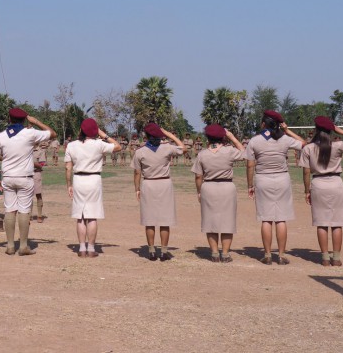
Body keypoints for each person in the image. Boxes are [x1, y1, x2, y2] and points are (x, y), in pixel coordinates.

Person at [0, 108, 56, 256]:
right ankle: (23, 246)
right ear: (25, 119)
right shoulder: (30, 133)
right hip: (24, 177)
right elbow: (52, 133)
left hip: (8, 177)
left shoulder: (1, 136)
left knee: (9, 210)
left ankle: (10, 245)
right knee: (24, 211)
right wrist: (36, 121)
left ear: (9, 119)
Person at [245, 110, 306, 265]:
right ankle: (281, 255)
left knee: (266, 219)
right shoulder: (285, 139)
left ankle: (267, 255)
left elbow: (250, 165)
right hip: (282, 179)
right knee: (281, 219)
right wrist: (287, 130)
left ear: (263, 124)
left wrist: (250, 185)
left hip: (263, 179)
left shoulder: (254, 141)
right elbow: (304, 144)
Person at [299, 117, 343, 267]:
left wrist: (307, 190)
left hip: (318, 183)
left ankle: (325, 258)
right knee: (337, 223)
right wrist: (340, 131)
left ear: (316, 130)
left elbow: (306, 172)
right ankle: (336, 258)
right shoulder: (338, 145)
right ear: (331, 130)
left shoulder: (308, 148)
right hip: (336, 183)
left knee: (322, 223)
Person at [65, 118, 121, 258]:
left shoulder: (72, 145)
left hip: (78, 179)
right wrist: (103, 134)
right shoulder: (99, 144)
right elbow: (118, 146)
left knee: (80, 216)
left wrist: (69, 184)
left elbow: (68, 167)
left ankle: (81, 248)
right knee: (92, 216)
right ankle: (91, 248)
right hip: (94, 179)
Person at [191, 124, 246, 262]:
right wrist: (232, 136)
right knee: (227, 221)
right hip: (227, 187)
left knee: (210, 221)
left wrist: (199, 191)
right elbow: (244, 152)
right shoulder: (229, 151)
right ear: (223, 137)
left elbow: (198, 176)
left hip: (208, 187)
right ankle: (225, 254)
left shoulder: (202, 154)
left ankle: (214, 253)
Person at [131, 123, 186, 261]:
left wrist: (137, 188)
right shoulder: (167, 148)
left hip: (148, 184)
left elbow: (137, 172)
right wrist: (168, 134)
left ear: (146, 135)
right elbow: (183, 148)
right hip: (164, 184)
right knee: (165, 220)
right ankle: (164, 251)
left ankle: (151, 251)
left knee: (149, 220)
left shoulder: (140, 151)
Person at [32, 141, 49, 222]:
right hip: (26, 174)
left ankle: (39, 215)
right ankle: (28, 215)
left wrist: (31, 163)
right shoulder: (26, 149)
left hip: (36, 173)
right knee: (27, 196)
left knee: (38, 195)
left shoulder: (40, 151)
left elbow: (41, 164)